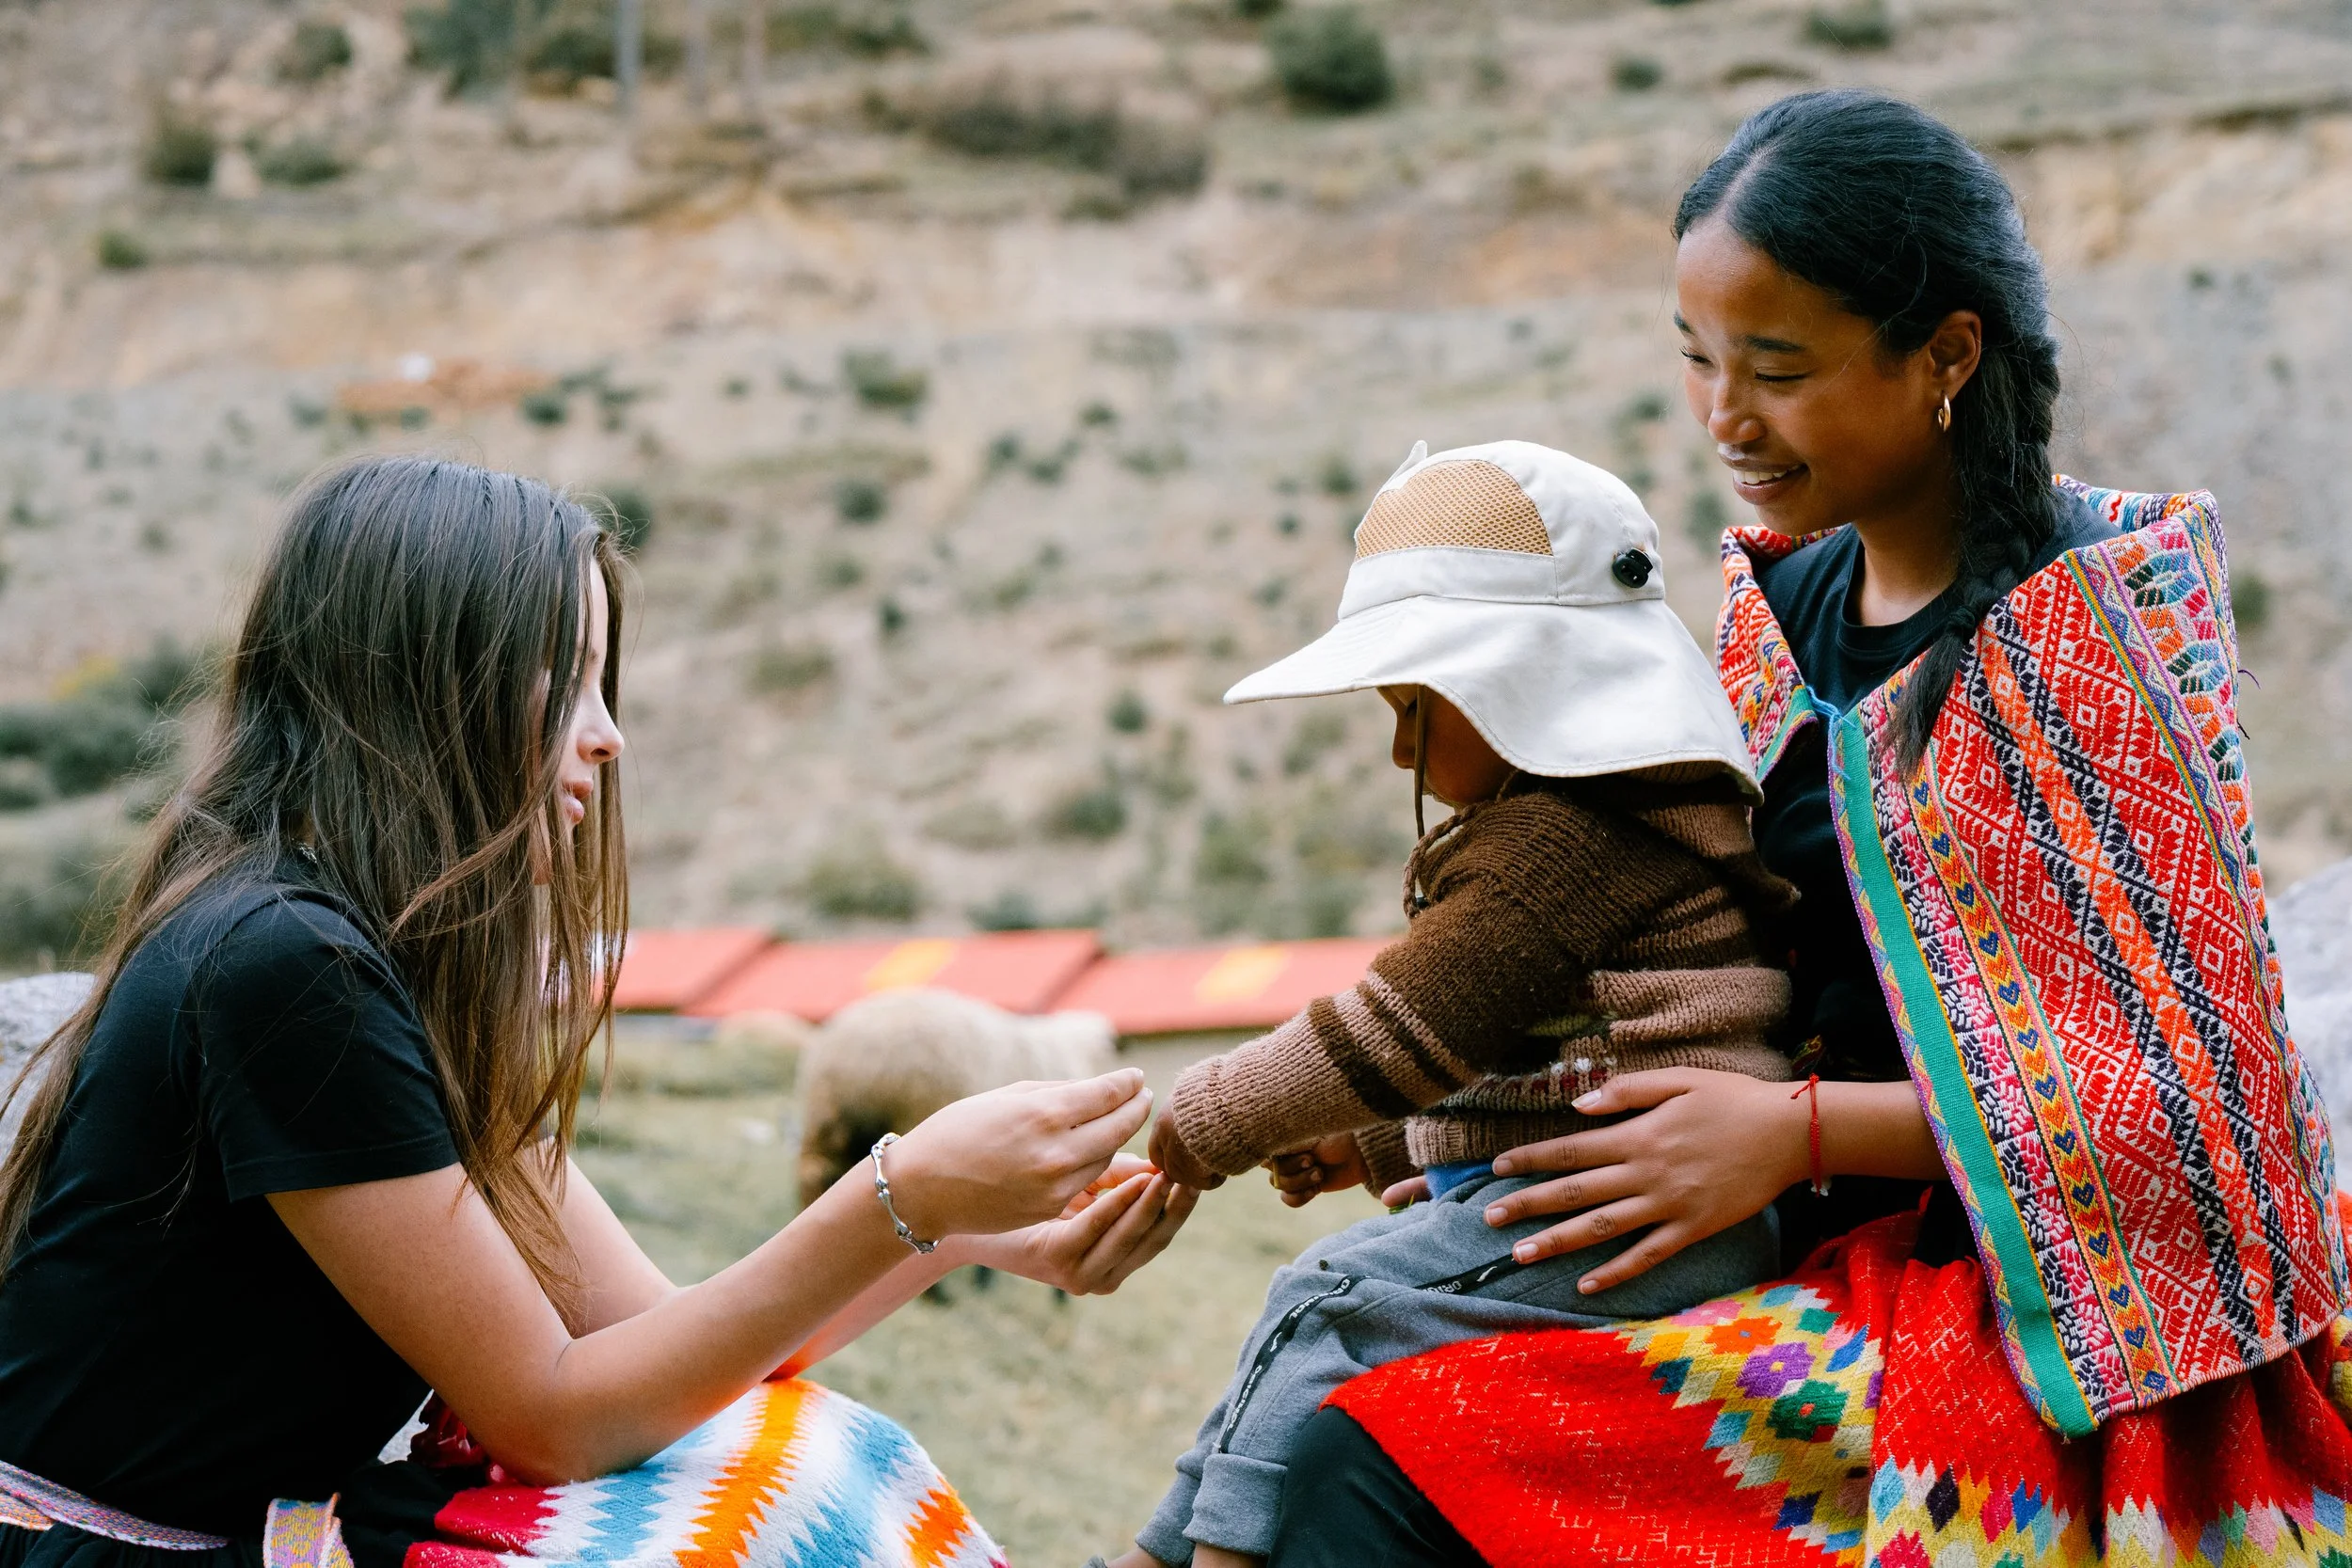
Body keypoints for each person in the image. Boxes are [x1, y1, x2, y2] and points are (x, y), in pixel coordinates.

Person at [1268, 89, 2352, 1567]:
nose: (1725, 417)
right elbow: (1705, 987)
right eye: (1701, 359)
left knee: (1381, 1458)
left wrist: (1793, 1134)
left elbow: (2205, 1108)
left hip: (2059, 1332)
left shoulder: (2095, 626)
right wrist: (1417, 1119)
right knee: (1354, 1408)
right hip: (1792, 1246)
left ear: (1946, 354)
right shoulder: (1778, 623)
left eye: (1775, 367)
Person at [0, 455, 1197, 1568]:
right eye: (566, 679)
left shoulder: (379, 955)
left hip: (245, 1529)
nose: (608, 735)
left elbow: (665, 1344)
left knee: (809, 1461)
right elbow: (560, 1416)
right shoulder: (284, 965)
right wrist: (905, 1197)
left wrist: (965, 1230)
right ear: (433, 682)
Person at [1100, 441, 1799, 1568]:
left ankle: (1192, 1557)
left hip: (1635, 1227)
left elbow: (1396, 1031)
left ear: (1517, 681)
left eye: (1416, 708)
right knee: (1327, 1308)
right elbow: (1543, 1055)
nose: (1397, 750)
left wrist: (1205, 1119)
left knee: (1322, 1297)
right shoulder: (1620, 823)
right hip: (1637, 1203)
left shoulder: (1559, 843)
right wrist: (1371, 1140)